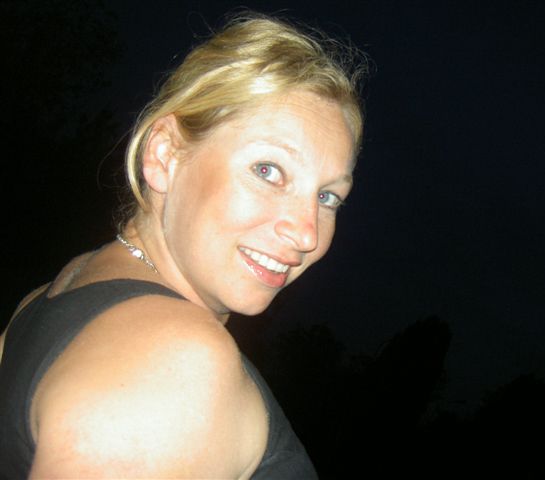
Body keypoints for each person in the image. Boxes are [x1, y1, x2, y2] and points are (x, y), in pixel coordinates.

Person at [0, 12, 365, 479]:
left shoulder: (52, 295)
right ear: (164, 155)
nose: (307, 233)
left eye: (328, 196)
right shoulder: (175, 363)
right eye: (268, 170)